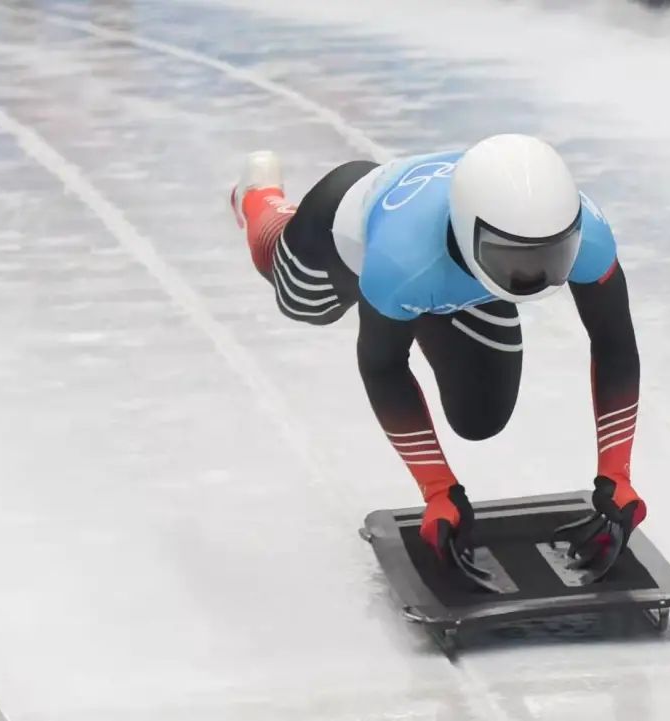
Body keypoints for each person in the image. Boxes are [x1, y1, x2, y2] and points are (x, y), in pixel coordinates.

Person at [231, 134, 644, 584]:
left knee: (480, 416)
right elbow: (383, 366)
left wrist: (616, 476)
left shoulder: (588, 236)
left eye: (552, 254)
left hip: (446, 268)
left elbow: (615, 343)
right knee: (301, 300)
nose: (535, 276)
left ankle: (443, 294)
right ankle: (258, 197)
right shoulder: (400, 261)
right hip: (347, 232)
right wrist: (437, 489)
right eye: (515, 260)